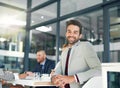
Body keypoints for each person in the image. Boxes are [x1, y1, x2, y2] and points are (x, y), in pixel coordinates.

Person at [51, 19, 101, 88]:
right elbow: (59, 69)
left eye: (75, 32)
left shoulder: (86, 46)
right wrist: (54, 77)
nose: (71, 34)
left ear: (80, 35)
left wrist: (74, 77)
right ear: (66, 34)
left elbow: (98, 70)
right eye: (69, 31)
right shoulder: (64, 50)